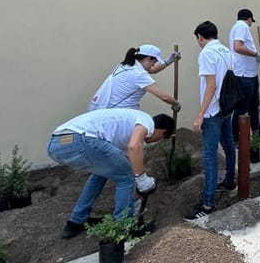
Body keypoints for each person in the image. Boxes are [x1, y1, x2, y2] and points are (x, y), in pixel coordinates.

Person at [47, 108, 174, 238]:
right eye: (159, 139)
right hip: (80, 139)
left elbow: (129, 164)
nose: (155, 141)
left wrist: (135, 199)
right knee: (125, 177)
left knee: (101, 175)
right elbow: (134, 148)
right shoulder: (147, 121)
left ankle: (76, 222)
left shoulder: (125, 134)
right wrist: (142, 180)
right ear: (162, 131)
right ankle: (123, 227)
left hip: (57, 143)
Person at [185, 21, 238, 220]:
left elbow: (210, 86)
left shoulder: (207, 53)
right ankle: (230, 181)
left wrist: (200, 114)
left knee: (209, 157)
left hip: (213, 111)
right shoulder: (227, 51)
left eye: (197, 39)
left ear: (200, 37)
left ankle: (207, 205)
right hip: (226, 107)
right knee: (228, 145)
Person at [89, 45, 181, 112]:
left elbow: (152, 70)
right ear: (147, 59)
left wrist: (168, 61)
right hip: (119, 113)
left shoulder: (125, 65)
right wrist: (176, 103)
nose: (154, 64)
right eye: (154, 61)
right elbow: (164, 97)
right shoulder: (139, 74)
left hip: (105, 109)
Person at [229, 8, 260, 151]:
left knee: (254, 107)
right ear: (249, 18)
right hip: (244, 76)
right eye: (251, 21)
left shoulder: (238, 28)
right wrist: (256, 54)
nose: (251, 24)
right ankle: (234, 139)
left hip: (250, 75)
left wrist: (257, 58)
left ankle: (257, 136)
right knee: (241, 108)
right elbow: (238, 47)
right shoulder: (242, 26)